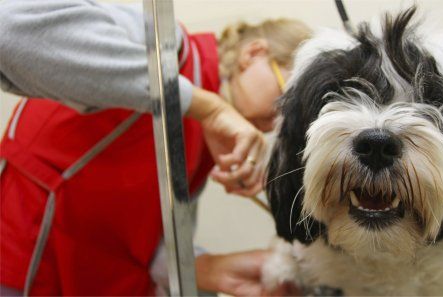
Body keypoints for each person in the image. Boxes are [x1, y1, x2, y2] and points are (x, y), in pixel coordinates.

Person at [0, 0, 311, 296]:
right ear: (253, 53)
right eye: (286, 97)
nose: (278, 123)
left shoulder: (208, 147)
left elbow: (148, 243)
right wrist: (206, 106)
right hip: (25, 255)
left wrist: (206, 268)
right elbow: (10, 29)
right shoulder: (169, 47)